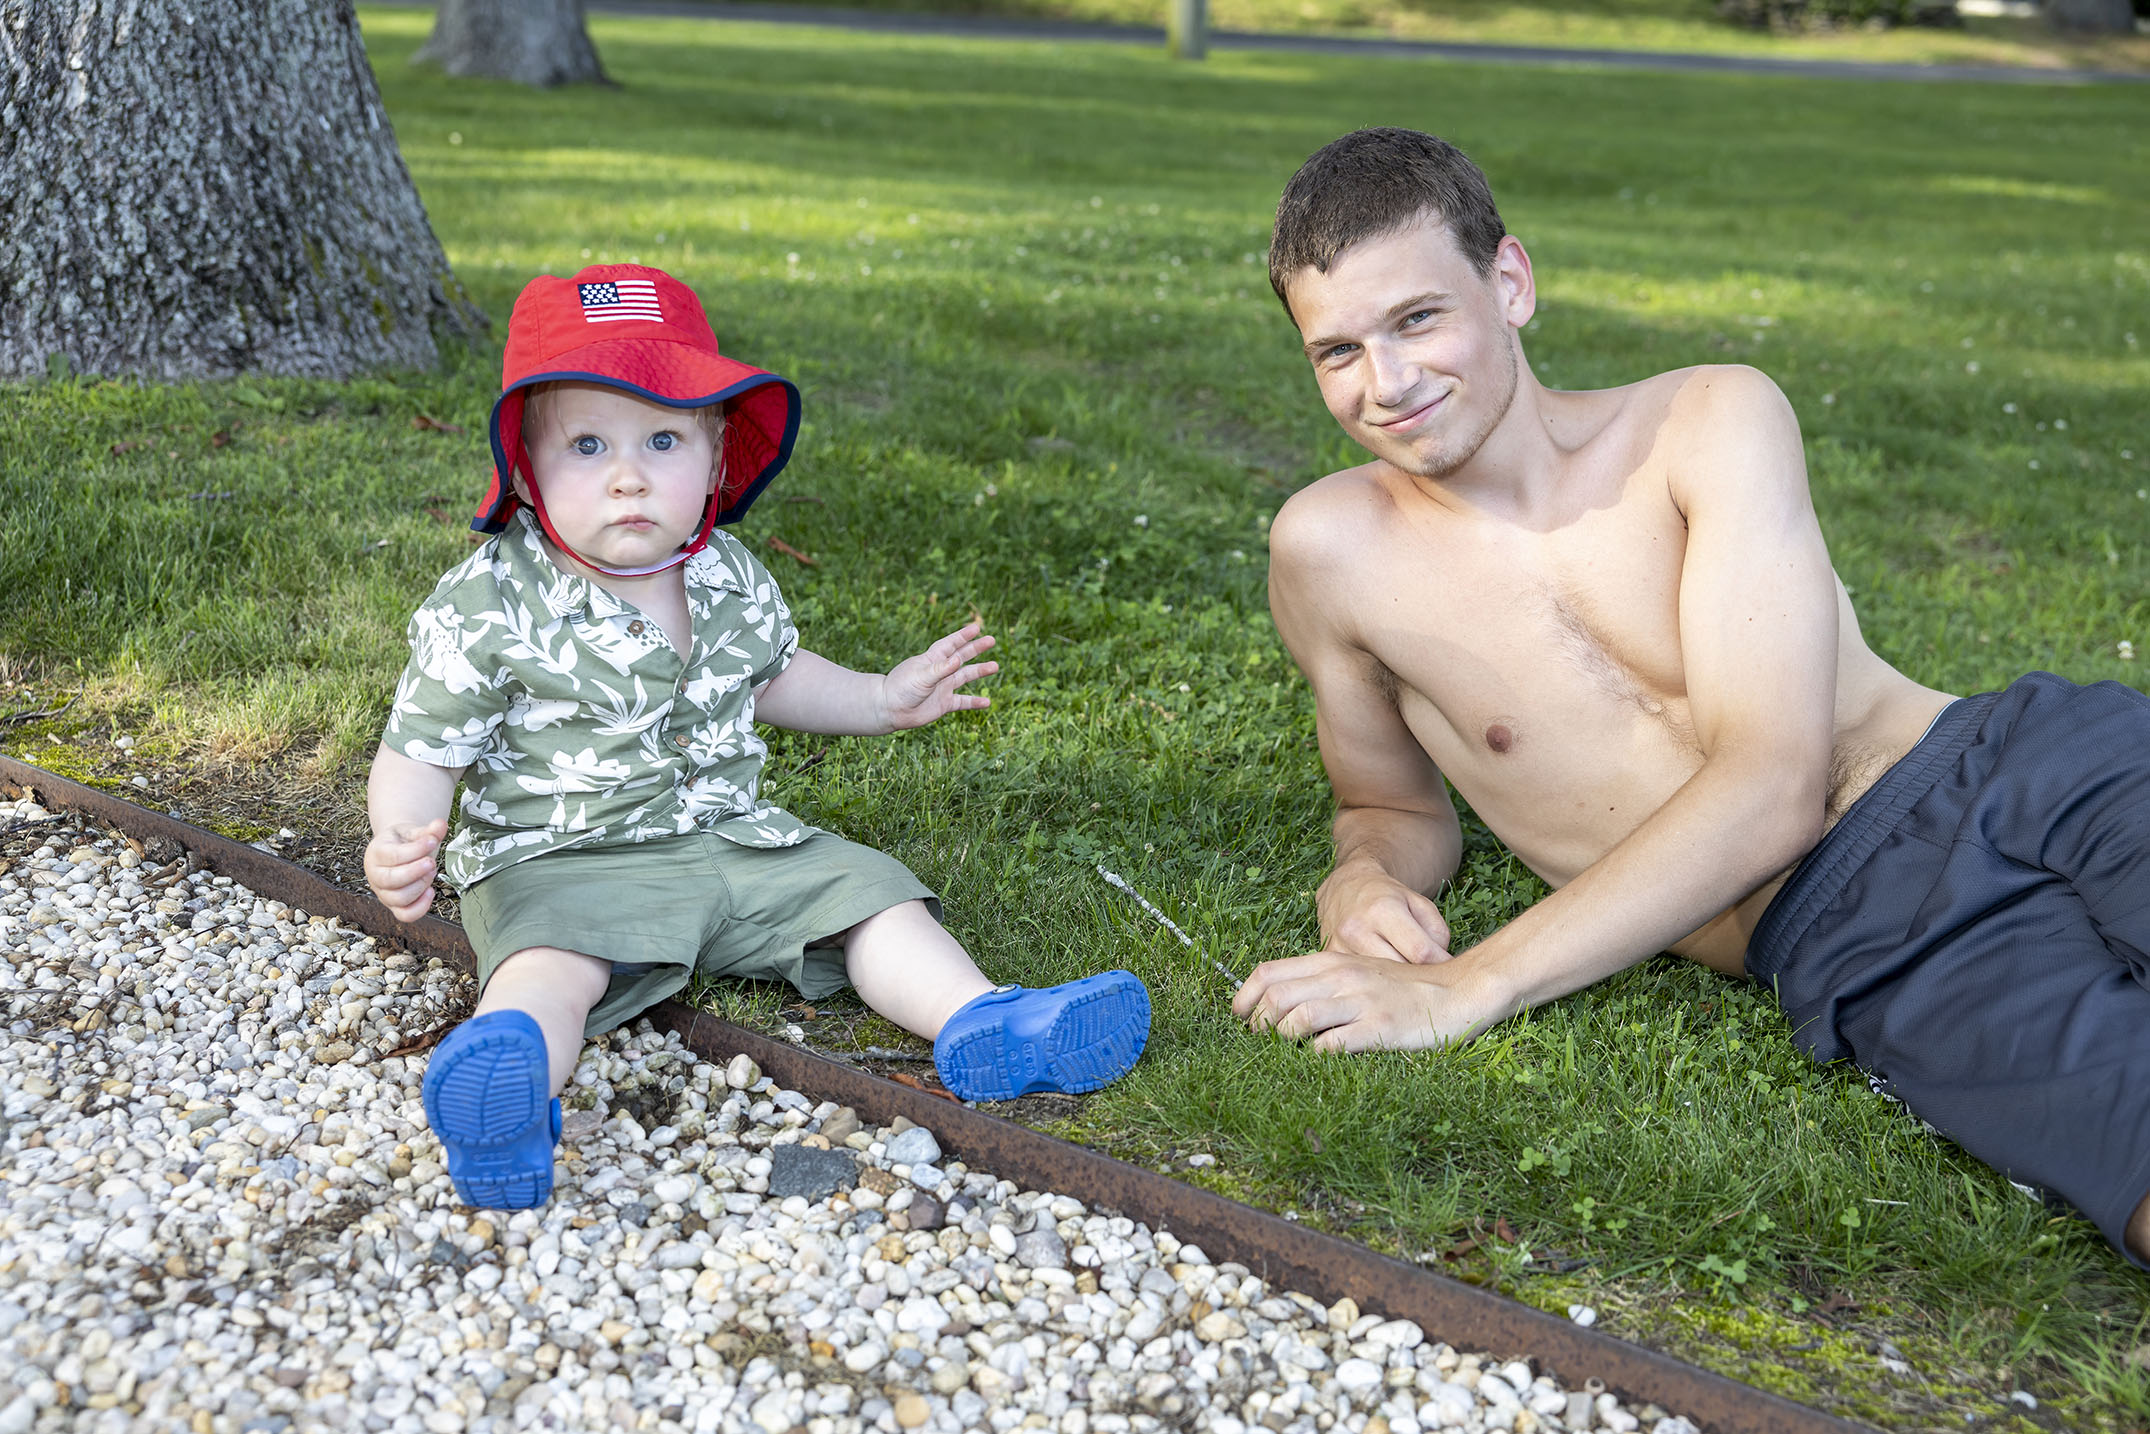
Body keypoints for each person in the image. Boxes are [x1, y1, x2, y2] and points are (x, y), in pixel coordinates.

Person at [1231, 128, 2149, 1266]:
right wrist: (1363, 876)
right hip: (1857, 921)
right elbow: (1391, 806)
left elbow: (1770, 787)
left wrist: (1462, 989)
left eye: (1418, 319)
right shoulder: (1328, 555)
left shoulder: (1705, 420)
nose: (1388, 384)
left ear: (1509, 283)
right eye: (1337, 351)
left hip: (2033, 759)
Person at [364, 264, 1150, 1209]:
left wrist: (882, 698)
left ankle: (985, 1022)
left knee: (870, 896)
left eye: (663, 439)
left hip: (736, 843)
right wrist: (399, 837)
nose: (628, 474)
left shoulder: (724, 572)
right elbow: (422, 746)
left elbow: (773, 674)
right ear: (527, 469)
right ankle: (512, 1079)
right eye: (587, 444)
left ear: (715, 459)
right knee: (551, 966)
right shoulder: (487, 601)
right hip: (565, 860)